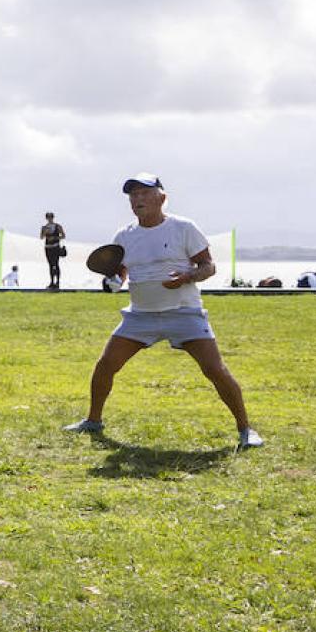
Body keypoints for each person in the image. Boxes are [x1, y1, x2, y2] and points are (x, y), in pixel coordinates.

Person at [64, 174, 261, 450]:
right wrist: (113, 282)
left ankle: (246, 430)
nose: (137, 200)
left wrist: (187, 276)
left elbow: (208, 266)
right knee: (105, 365)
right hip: (140, 315)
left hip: (183, 313)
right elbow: (120, 274)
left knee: (214, 369)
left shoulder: (183, 228)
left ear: (162, 198)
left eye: (144, 193)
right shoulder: (124, 236)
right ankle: (93, 420)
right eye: (133, 195)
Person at [40, 211, 66, 289]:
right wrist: (45, 232)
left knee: (56, 264)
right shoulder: (44, 227)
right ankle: (52, 282)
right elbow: (41, 237)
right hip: (48, 247)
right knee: (50, 265)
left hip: (55, 247)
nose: (49, 219)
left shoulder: (58, 226)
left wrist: (55, 238)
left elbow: (63, 236)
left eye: (51, 217)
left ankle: (57, 282)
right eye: (48, 217)